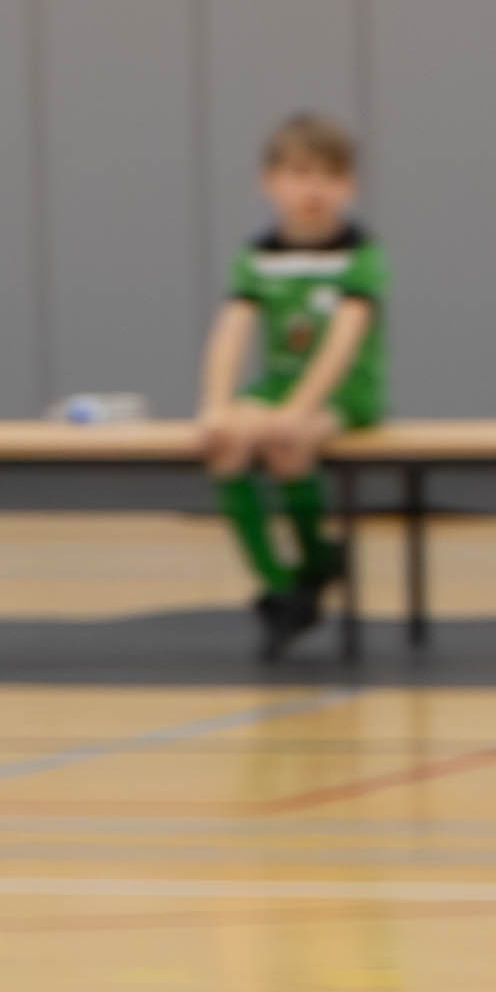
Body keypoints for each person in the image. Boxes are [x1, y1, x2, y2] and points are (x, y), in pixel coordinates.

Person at [192, 112, 388, 659]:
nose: (314, 190)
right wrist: (217, 405)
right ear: (270, 183)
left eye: (330, 176)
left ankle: (316, 564)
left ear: (350, 186)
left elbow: (342, 342)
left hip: (345, 393)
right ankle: (280, 587)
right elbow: (231, 333)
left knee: (288, 443)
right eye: (300, 175)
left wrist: (300, 410)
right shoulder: (259, 257)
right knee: (224, 443)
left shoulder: (359, 254)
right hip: (278, 386)